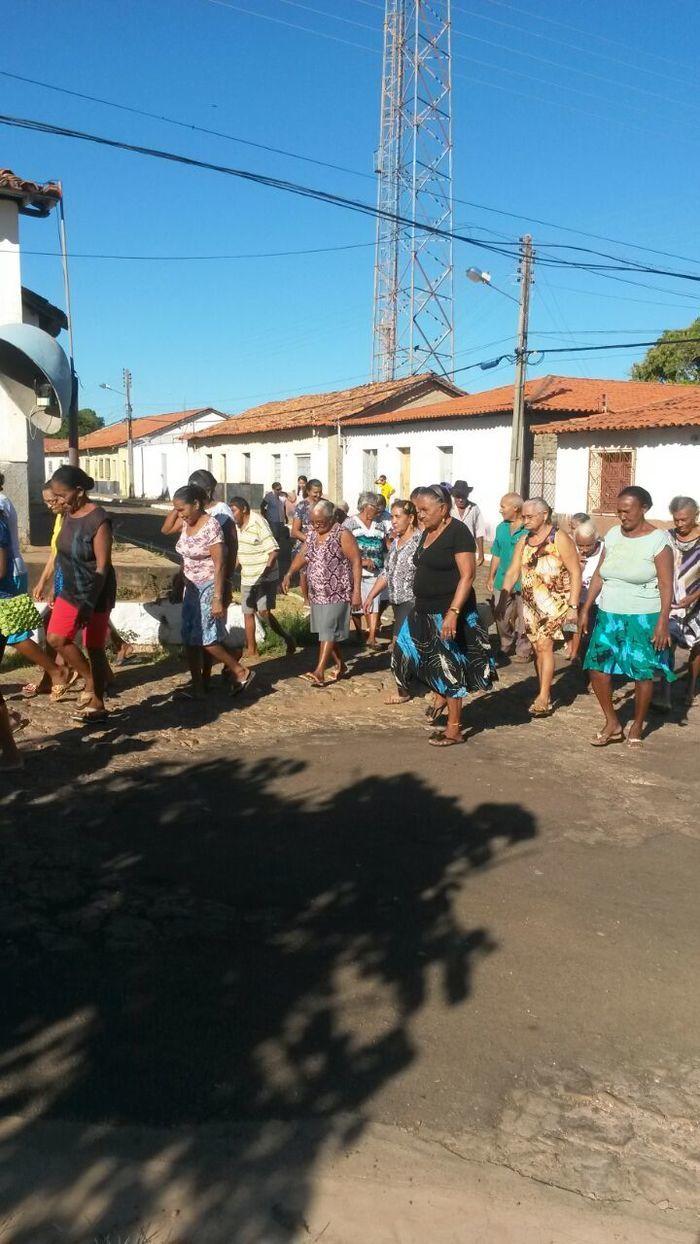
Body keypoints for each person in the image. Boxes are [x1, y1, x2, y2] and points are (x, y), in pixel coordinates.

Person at [392, 485, 494, 746]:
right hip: (422, 610)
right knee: (404, 654)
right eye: (417, 510)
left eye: (425, 510)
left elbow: (467, 576)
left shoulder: (458, 532)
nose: (420, 515)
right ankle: (439, 695)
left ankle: (454, 729)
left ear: (443, 508)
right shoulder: (427, 531)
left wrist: (453, 613)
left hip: (447, 612)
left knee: (447, 668)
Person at [581, 486, 674, 747]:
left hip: (643, 616)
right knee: (597, 667)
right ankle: (612, 722)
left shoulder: (658, 541)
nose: (622, 516)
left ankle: (637, 723)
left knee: (642, 671)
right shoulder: (612, 535)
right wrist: (586, 608)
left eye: (627, 511)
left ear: (644, 509)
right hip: (609, 613)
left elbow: (666, 584)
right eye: (619, 511)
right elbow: (600, 573)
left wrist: (663, 621)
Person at [47, 466, 118, 722]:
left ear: (78, 491)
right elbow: (61, 553)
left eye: (61, 495)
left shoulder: (99, 520)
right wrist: (54, 586)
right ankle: (91, 679)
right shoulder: (67, 513)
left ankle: (98, 704)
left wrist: (89, 604)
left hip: (95, 592)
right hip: (70, 590)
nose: (58, 500)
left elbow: (102, 567)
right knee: (56, 638)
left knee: (94, 647)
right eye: (55, 495)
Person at [500, 498, 581, 718]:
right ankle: (542, 689)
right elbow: (512, 572)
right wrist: (502, 599)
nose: (525, 521)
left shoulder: (559, 538)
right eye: (523, 517)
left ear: (544, 515)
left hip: (554, 603)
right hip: (531, 605)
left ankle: (544, 697)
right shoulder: (524, 541)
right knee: (537, 648)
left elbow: (575, 571)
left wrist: (573, 606)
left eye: (529, 517)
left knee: (545, 646)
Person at [172, 484, 253, 698]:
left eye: (182, 509)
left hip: (208, 586)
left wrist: (218, 597)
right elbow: (171, 535)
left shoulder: (211, 526)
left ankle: (239, 670)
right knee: (189, 639)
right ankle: (198, 686)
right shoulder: (185, 523)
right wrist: (179, 580)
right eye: (176, 510)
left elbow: (220, 564)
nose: (179, 514)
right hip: (190, 588)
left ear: (196, 504)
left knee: (206, 638)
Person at [282, 499, 362, 686]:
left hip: (338, 592)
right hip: (317, 593)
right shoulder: (312, 534)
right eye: (313, 522)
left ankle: (319, 672)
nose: (316, 526)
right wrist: (289, 573)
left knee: (327, 630)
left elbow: (356, 561)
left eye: (320, 522)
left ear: (331, 518)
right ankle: (341, 665)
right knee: (325, 632)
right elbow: (303, 555)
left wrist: (357, 592)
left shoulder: (342, 534)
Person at [363, 499, 421, 704]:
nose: (393, 521)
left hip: (412, 600)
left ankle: (403, 690)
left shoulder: (420, 542)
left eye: (398, 517)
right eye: (393, 516)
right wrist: (371, 595)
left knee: (398, 644)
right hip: (396, 600)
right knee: (407, 643)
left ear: (411, 518)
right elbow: (387, 572)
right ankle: (415, 678)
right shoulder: (396, 542)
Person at [231, 496, 296, 659]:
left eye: (234, 511)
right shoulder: (237, 526)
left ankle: (287, 638)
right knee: (247, 612)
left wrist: (265, 572)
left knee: (263, 612)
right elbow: (240, 552)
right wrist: (230, 571)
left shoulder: (258, 522)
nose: (232, 514)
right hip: (247, 576)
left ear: (244, 509)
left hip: (264, 576)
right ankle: (252, 649)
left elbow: (273, 550)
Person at [663, 495, 700, 709]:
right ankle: (665, 694)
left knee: (697, 646)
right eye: (676, 519)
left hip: (697, 601)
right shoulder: (667, 537)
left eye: (684, 519)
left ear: (695, 515)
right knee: (668, 644)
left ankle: (691, 688)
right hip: (672, 601)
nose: (679, 524)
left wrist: (694, 597)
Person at [486, 493, 529, 664]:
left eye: (503, 506)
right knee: (500, 614)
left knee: (525, 617)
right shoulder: (501, 528)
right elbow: (496, 553)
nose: (500, 510)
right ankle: (506, 642)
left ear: (515, 508)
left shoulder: (528, 529)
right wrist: (491, 576)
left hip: (524, 581)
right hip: (502, 579)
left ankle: (523, 649)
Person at [343, 492, 389, 649]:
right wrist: (361, 561)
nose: (378, 510)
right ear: (366, 507)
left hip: (375, 571)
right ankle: (359, 633)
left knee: (374, 603)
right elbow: (343, 548)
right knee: (355, 604)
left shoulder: (380, 524)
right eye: (375, 506)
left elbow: (384, 546)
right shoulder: (349, 523)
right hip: (354, 570)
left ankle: (372, 637)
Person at [568, 519, 603, 665]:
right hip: (577, 600)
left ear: (596, 540)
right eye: (580, 545)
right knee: (575, 629)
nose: (584, 549)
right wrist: (577, 567)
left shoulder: (604, 550)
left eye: (588, 545)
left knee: (591, 635)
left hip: (598, 602)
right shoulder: (573, 551)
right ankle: (574, 653)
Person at [290, 478, 323, 605]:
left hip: (322, 544)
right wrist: (310, 540)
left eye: (320, 492)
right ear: (308, 491)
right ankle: (306, 599)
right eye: (315, 492)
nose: (318, 495)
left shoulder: (324, 505)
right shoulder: (302, 506)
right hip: (305, 544)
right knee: (304, 572)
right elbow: (295, 531)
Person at [450, 481, 486, 566]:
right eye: (458, 497)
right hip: (450, 550)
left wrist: (481, 554)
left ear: (467, 495)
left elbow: (479, 531)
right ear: (453, 496)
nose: (460, 500)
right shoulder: (449, 508)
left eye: (463, 496)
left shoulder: (474, 508)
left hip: (468, 550)